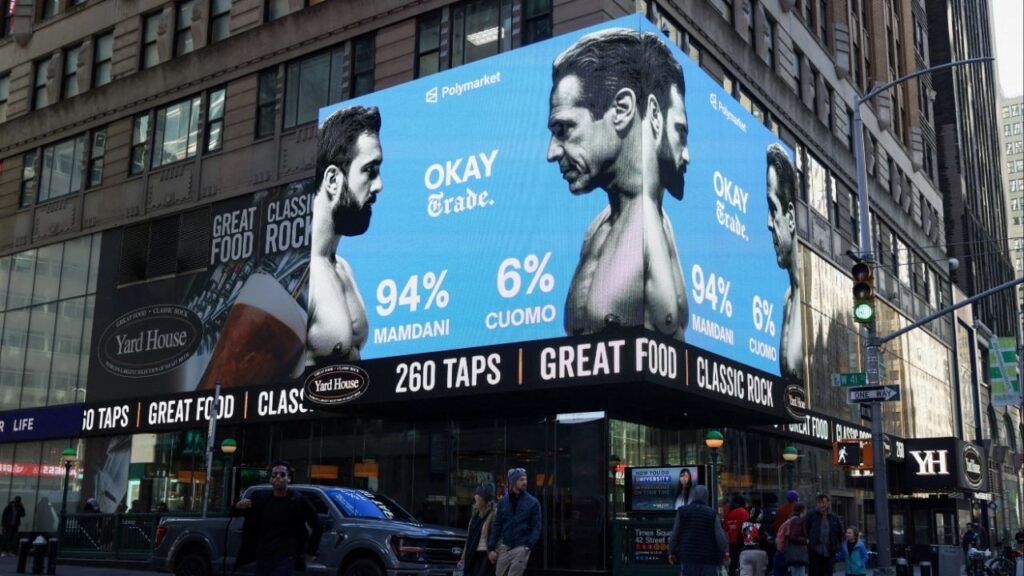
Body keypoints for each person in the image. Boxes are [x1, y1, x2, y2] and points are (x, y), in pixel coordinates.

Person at [547, 28, 688, 340]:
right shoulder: (596, 230)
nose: (552, 152)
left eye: (564, 129)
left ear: (623, 110)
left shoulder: (653, 230)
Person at [307, 105, 383, 361]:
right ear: (332, 180)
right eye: (370, 171)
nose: (379, 185)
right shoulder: (297, 276)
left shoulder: (343, 269)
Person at [231, 460, 322, 576]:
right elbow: (235, 512)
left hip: (286, 557)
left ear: (288, 478)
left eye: (282, 474)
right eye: (274, 475)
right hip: (264, 556)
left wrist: (311, 552)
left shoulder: (297, 500)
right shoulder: (261, 499)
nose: (278, 477)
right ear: (270, 479)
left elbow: (318, 525)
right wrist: (239, 506)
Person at [766, 144, 804, 387]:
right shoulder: (787, 299)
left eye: (772, 209)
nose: (769, 223)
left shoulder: (811, 300)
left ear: (790, 218)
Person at [487, 468, 541, 576]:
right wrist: (491, 548)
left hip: (521, 547)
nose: (524, 482)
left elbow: (537, 526)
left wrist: (528, 545)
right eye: (521, 479)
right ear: (513, 481)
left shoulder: (533, 502)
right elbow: (497, 526)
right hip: (505, 547)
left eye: (525, 479)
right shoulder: (503, 502)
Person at [668, 484, 725, 576]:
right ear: (706, 497)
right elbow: (720, 538)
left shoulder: (682, 511)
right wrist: (725, 552)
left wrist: (671, 552)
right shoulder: (712, 513)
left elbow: (675, 534)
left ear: (693, 496)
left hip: (688, 558)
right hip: (709, 559)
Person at [460, 483, 497, 576]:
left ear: (483, 498)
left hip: (486, 556)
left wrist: (495, 552)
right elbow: (469, 539)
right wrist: (463, 558)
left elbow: (499, 536)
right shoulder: (475, 516)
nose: (475, 497)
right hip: (473, 555)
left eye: (477, 495)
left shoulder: (494, 514)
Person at [805, 493, 843, 576]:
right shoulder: (811, 515)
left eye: (824, 502)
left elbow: (840, 532)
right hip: (814, 550)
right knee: (814, 572)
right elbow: (805, 529)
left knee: (828, 573)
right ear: (817, 503)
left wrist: (837, 545)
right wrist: (808, 541)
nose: (822, 505)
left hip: (829, 551)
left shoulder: (834, 517)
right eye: (819, 502)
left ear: (828, 503)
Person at [772, 491, 799, 576]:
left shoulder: (780, 510)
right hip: (792, 545)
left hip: (781, 543)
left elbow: (775, 526)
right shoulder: (796, 510)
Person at [778, 502, 809, 576]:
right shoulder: (797, 521)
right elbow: (794, 537)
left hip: (791, 551)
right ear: (802, 510)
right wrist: (806, 540)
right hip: (797, 552)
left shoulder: (791, 519)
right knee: (798, 572)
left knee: (796, 571)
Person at [725, 495, 751, 576]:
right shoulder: (743, 512)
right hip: (741, 542)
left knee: (733, 564)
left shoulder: (729, 513)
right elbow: (746, 527)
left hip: (731, 542)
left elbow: (726, 527)